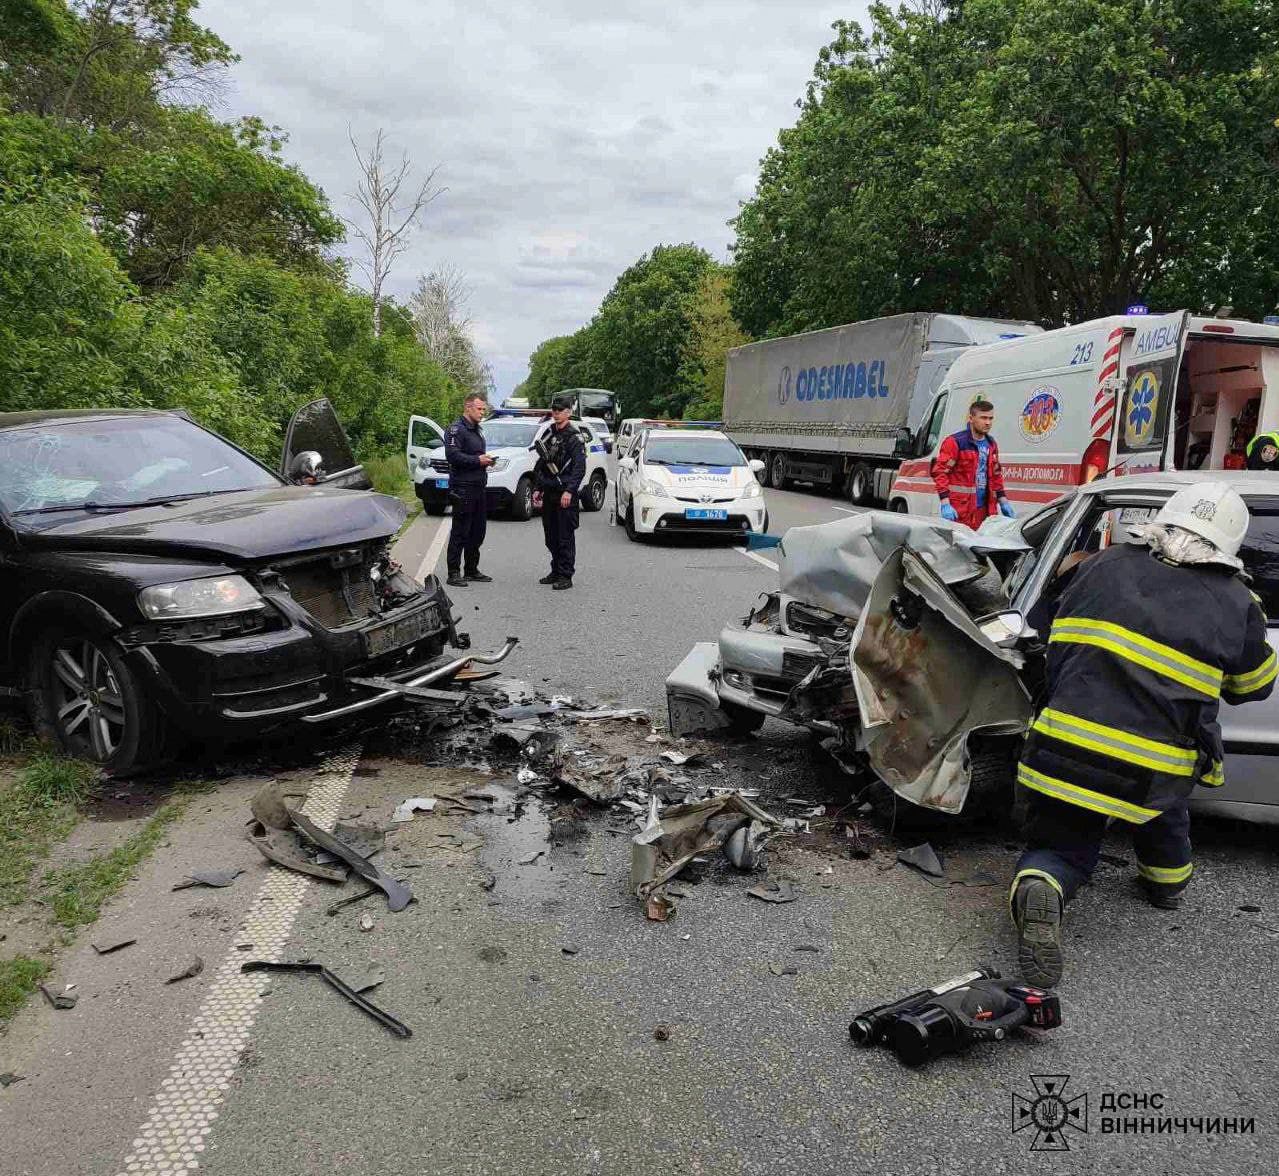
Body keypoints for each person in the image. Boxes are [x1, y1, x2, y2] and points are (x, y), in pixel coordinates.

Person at [1009, 482, 1275, 987]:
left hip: (1060, 745)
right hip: (1149, 769)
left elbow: (1042, 637)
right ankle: (1166, 884)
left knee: (1064, 844)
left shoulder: (1101, 565)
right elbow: (1253, 687)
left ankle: (1042, 883)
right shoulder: (1236, 603)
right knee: (1165, 802)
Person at [931, 398, 1015, 529]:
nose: (988, 423)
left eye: (991, 418)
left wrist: (1003, 501)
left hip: (986, 512)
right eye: (983, 418)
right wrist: (945, 503)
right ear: (971, 418)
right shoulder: (955, 442)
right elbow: (940, 472)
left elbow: (996, 475)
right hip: (960, 511)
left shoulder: (991, 444)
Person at [532, 395, 586, 590]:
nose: (556, 413)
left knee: (565, 536)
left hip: (564, 493)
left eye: (560, 410)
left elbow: (579, 469)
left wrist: (569, 491)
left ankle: (565, 575)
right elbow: (541, 462)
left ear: (568, 412)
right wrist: (538, 487)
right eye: (554, 410)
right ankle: (555, 570)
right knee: (551, 535)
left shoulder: (574, 437)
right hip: (550, 491)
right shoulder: (551, 432)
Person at [443, 392, 495, 587]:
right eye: (479, 408)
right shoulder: (456, 430)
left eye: (484, 409)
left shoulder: (476, 430)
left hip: (479, 487)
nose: (483, 412)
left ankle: (471, 569)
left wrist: (485, 462)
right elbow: (453, 456)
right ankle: (454, 572)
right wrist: (477, 460)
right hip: (463, 488)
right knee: (460, 531)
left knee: (477, 531)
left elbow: (475, 456)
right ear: (468, 407)